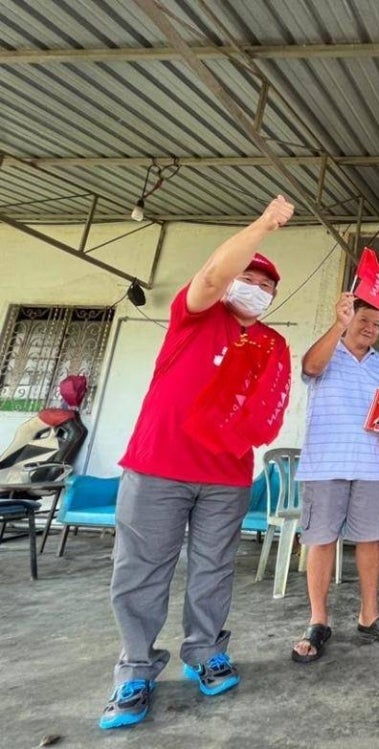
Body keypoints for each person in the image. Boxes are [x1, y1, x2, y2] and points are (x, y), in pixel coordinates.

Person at [100, 196, 295, 730]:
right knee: (141, 571)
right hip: (157, 467)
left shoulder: (268, 343)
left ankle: (205, 652)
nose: (257, 288)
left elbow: (264, 409)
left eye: (268, 285)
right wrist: (262, 225)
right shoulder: (196, 315)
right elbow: (213, 273)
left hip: (226, 476)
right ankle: (135, 670)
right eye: (250, 277)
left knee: (212, 570)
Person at [290, 292, 379, 663]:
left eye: (376, 324)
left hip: (369, 465)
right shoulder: (329, 352)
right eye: (363, 321)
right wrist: (337, 325)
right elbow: (309, 368)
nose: (370, 328)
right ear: (348, 318)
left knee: (370, 540)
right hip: (325, 464)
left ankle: (369, 613)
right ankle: (318, 619)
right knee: (322, 541)